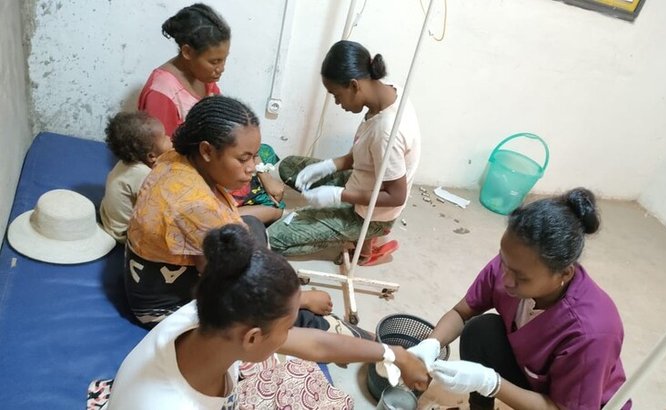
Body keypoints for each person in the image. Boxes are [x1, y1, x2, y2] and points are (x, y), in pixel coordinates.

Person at [108, 223, 429, 409]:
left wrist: (394, 354)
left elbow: (317, 345)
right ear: (252, 338)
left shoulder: (209, 313)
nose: (292, 333)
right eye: (287, 327)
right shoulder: (170, 402)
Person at [126, 95, 358, 341]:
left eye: (254, 157)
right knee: (285, 315)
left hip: (163, 275)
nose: (252, 167)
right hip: (167, 308)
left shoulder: (177, 157)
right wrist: (303, 299)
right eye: (243, 158)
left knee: (253, 225)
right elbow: (227, 285)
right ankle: (348, 338)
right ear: (207, 150)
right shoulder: (195, 206)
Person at [407, 188, 630, 410]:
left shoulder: (592, 332)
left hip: (574, 403)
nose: (506, 280)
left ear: (564, 273)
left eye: (521, 277)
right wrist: (431, 344)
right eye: (504, 262)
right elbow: (461, 312)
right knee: (480, 331)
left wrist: (490, 382)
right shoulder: (515, 263)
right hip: (534, 374)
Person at [268, 40, 421, 265]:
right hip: (361, 180)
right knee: (289, 166)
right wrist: (328, 166)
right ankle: (349, 229)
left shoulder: (387, 130)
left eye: (336, 95)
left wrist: (338, 195)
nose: (338, 103)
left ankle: (360, 236)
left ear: (354, 85)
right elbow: (363, 152)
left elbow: (396, 196)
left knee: (273, 240)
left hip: (370, 213)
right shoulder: (387, 92)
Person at [138, 3, 284, 225]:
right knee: (267, 200)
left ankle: (255, 201)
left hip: (211, 156)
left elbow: (226, 120)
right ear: (187, 52)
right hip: (191, 169)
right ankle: (251, 211)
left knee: (263, 151)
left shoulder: (204, 78)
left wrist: (262, 172)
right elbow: (164, 160)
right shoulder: (162, 93)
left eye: (224, 59)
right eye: (214, 61)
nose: (221, 68)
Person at [99, 111, 172, 243]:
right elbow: (160, 204)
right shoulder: (143, 175)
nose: (170, 138)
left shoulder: (125, 162)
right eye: (164, 137)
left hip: (108, 218)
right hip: (125, 232)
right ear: (151, 156)